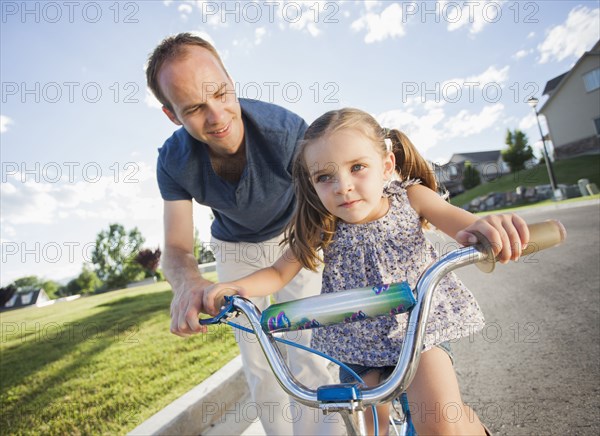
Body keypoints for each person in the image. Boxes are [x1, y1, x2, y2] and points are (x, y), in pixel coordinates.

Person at [204, 108, 530, 435]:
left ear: (386, 166)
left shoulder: (411, 198)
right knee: (368, 427)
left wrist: (490, 230)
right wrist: (230, 288)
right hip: (357, 344)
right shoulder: (322, 225)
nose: (343, 187)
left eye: (357, 167)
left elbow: (467, 226)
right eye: (324, 177)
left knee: (441, 422)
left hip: (418, 330)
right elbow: (277, 274)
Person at [146, 33, 344, 435]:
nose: (218, 116)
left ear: (231, 80)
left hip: (297, 232)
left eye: (221, 93)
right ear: (172, 115)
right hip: (234, 244)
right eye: (196, 108)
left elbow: (325, 209)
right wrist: (187, 283)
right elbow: (178, 248)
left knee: (306, 350)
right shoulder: (172, 161)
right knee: (259, 363)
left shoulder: (287, 132)